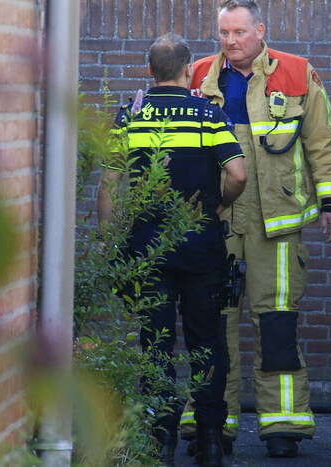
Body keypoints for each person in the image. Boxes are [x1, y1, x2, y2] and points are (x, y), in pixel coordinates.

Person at [180, 0, 331, 459]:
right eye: (224, 34)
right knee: (212, 325)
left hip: (277, 224)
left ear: (260, 30)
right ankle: (213, 423)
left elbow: (323, 144)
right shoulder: (196, 77)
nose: (230, 42)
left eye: (239, 32)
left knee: (276, 325)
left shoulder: (297, 73)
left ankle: (283, 427)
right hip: (215, 222)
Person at [98, 34, 247, 467]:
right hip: (201, 242)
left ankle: (159, 439)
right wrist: (218, 205)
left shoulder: (131, 115)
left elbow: (108, 184)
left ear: (150, 72)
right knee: (207, 341)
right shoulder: (208, 114)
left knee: (155, 342)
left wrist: (110, 241)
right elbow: (237, 174)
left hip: (148, 245)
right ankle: (210, 442)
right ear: (188, 71)